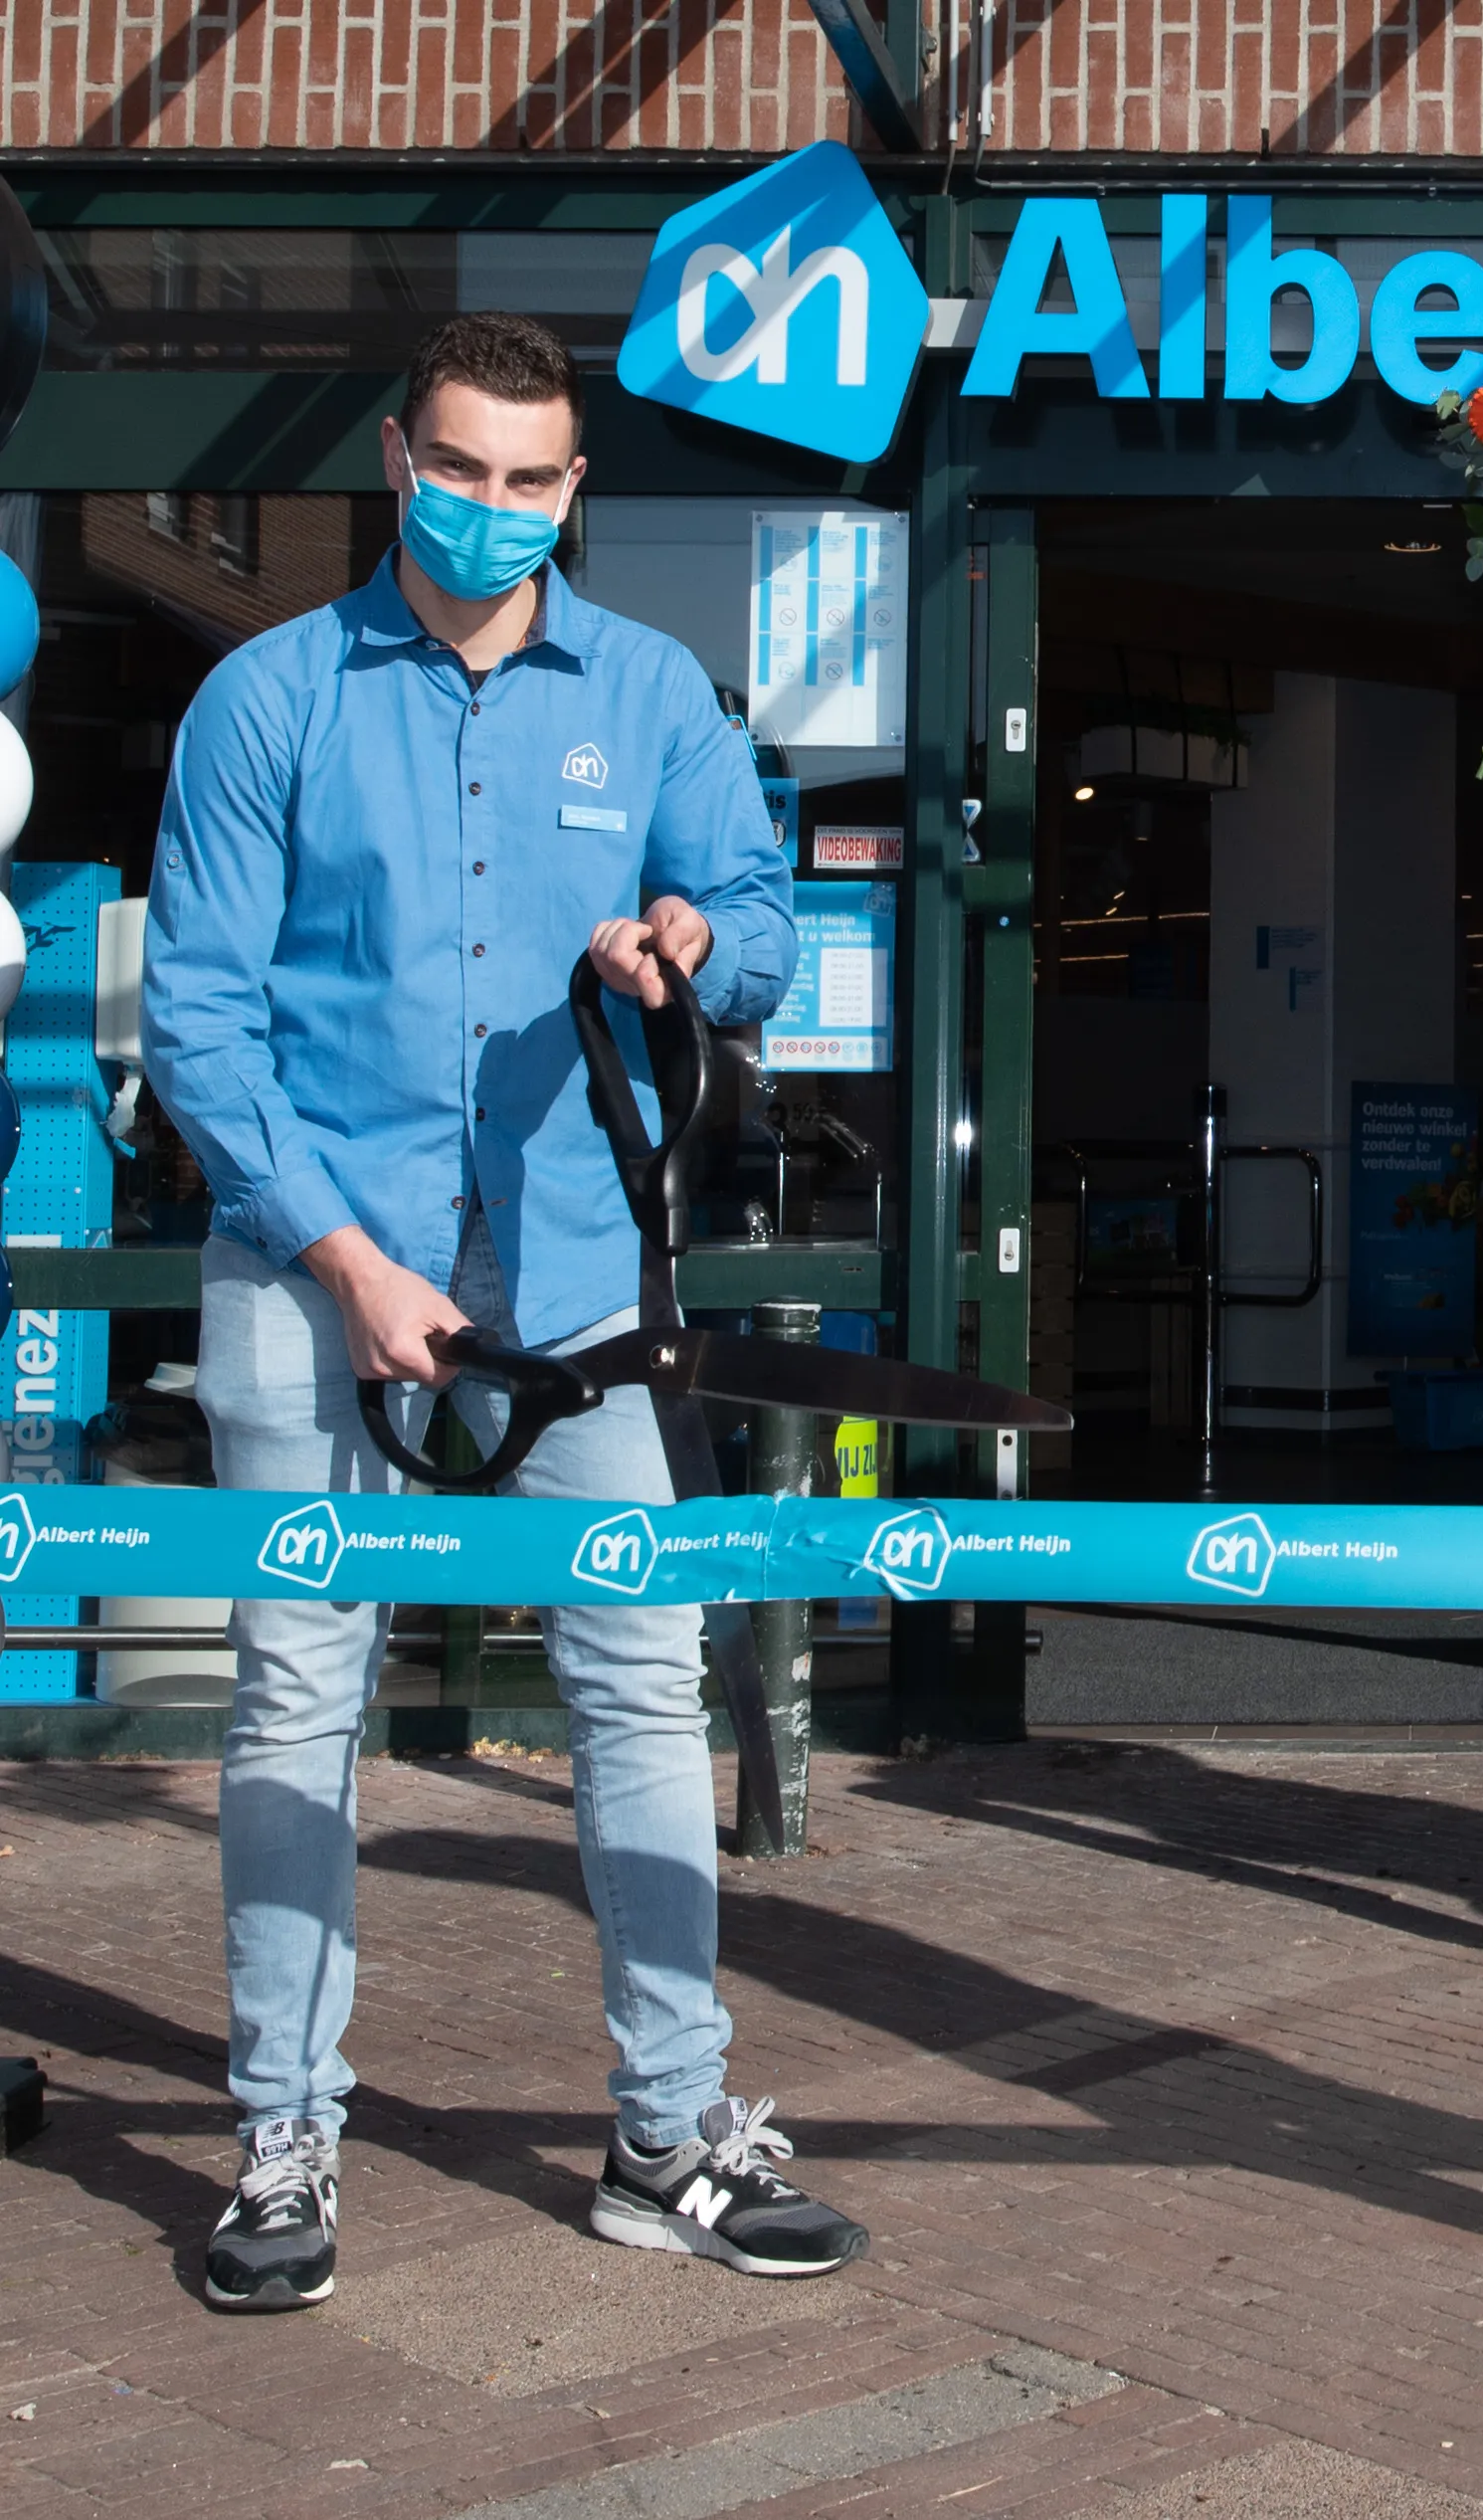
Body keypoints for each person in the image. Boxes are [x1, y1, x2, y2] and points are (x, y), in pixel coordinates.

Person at [143, 311, 859, 2313]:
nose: (491, 508)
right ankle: (283, 2135)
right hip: (315, 1283)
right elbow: (199, 1020)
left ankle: (667, 2137)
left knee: (640, 1688)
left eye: (530, 479)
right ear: (396, 460)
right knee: (299, 1695)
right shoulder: (263, 697)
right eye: (458, 468)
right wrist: (344, 1265)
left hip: (573, 1296)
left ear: (573, 491)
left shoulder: (647, 696)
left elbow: (766, 913)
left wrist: (699, 942)